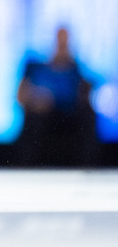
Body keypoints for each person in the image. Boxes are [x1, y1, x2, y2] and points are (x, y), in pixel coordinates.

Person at [16, 26, 98, 167]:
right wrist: (36, 100)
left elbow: (84, 98)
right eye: (60, 40)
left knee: (88, 117)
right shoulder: (36, 68)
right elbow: (20, 97)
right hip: (42, 116)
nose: (62, 44)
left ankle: (86, 169)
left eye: (65, 40)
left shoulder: (76, 71)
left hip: (69, 118)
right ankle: (28, 169)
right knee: (34, 121)